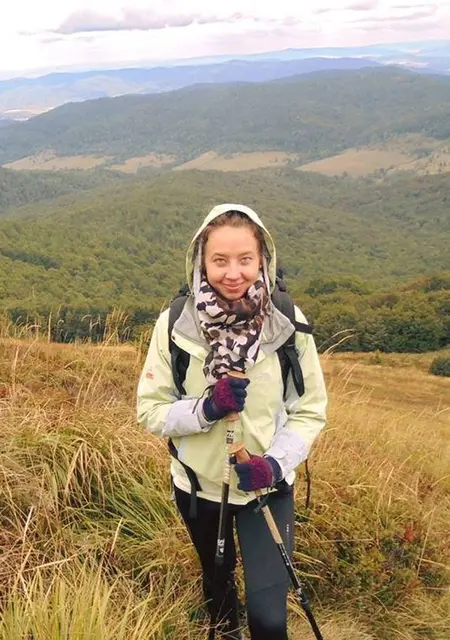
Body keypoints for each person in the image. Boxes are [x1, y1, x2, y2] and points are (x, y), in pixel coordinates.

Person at [137, 204, 327, 639]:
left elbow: (309, 409)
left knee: (269, 617)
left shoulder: (287, 321)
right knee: (219, 595)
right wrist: (206, 409)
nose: (233, 273)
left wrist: (274, 465)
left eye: (245, 259)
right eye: (219, 260)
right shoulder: (175, 324)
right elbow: (151, 410)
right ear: (201, 261)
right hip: (198, 487)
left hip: (267, 488)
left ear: (263, 259)